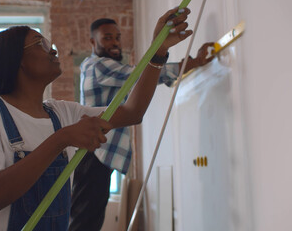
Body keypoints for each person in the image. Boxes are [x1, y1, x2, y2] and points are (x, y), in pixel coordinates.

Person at [0, 7, 193, 231]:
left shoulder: (61, 113)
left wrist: (158, 52)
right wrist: (61, 139)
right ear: (16, 59)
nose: (53, 51)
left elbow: (133, 111)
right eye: (40, 44)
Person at [69, 18, 214, 230]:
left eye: (117, 37)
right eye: (107, 38)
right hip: (93, 153)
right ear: (93, 42)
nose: (115, 42)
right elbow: (138, 75)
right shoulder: (96, 66)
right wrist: (192, 62)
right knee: (84, 222)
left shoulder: (104, 68)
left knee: (89, 220)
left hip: (98, 153)